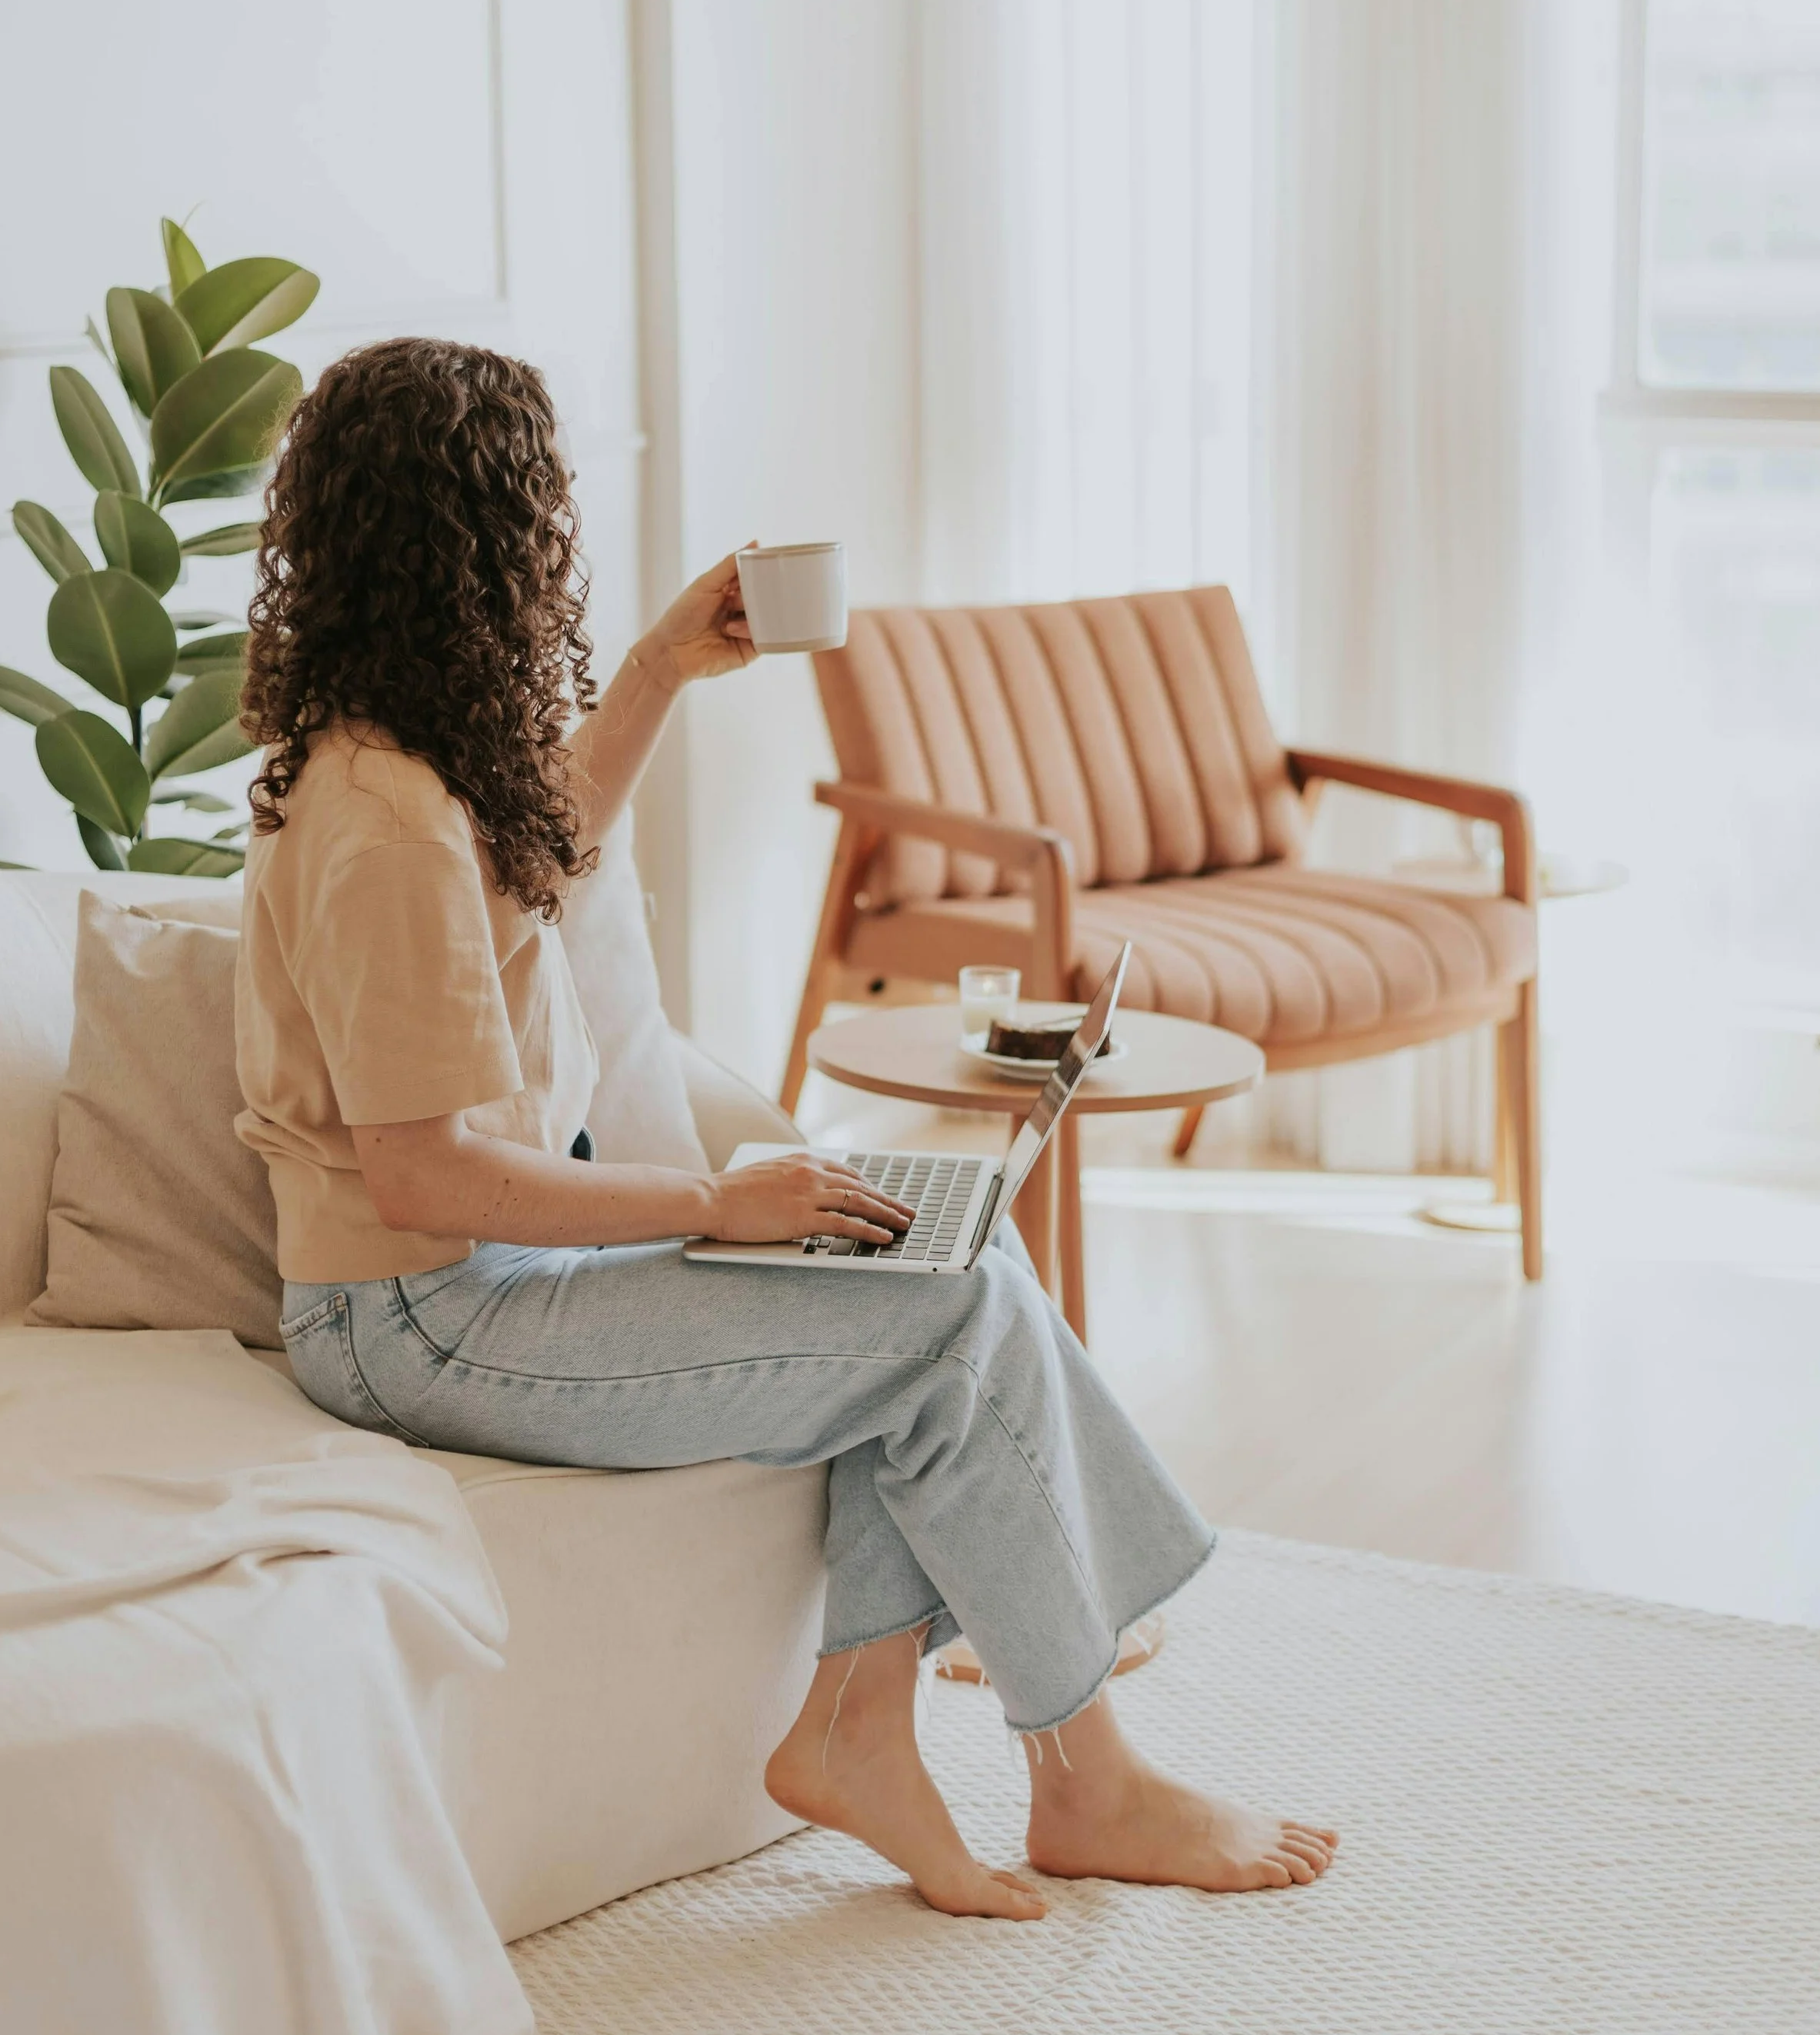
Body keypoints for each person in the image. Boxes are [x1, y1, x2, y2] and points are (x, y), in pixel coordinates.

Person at [236, 338, 1337, 1920]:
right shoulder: (378, 825)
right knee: (941, 1310)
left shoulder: (399, 765)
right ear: (493, 545)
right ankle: (1083, 1775)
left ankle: (863, 1726)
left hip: (454, 1289)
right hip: (419, 1318)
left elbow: (533, 868)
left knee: (931, 1241)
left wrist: (661, 673)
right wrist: (713, 1201)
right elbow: (417, 1182)